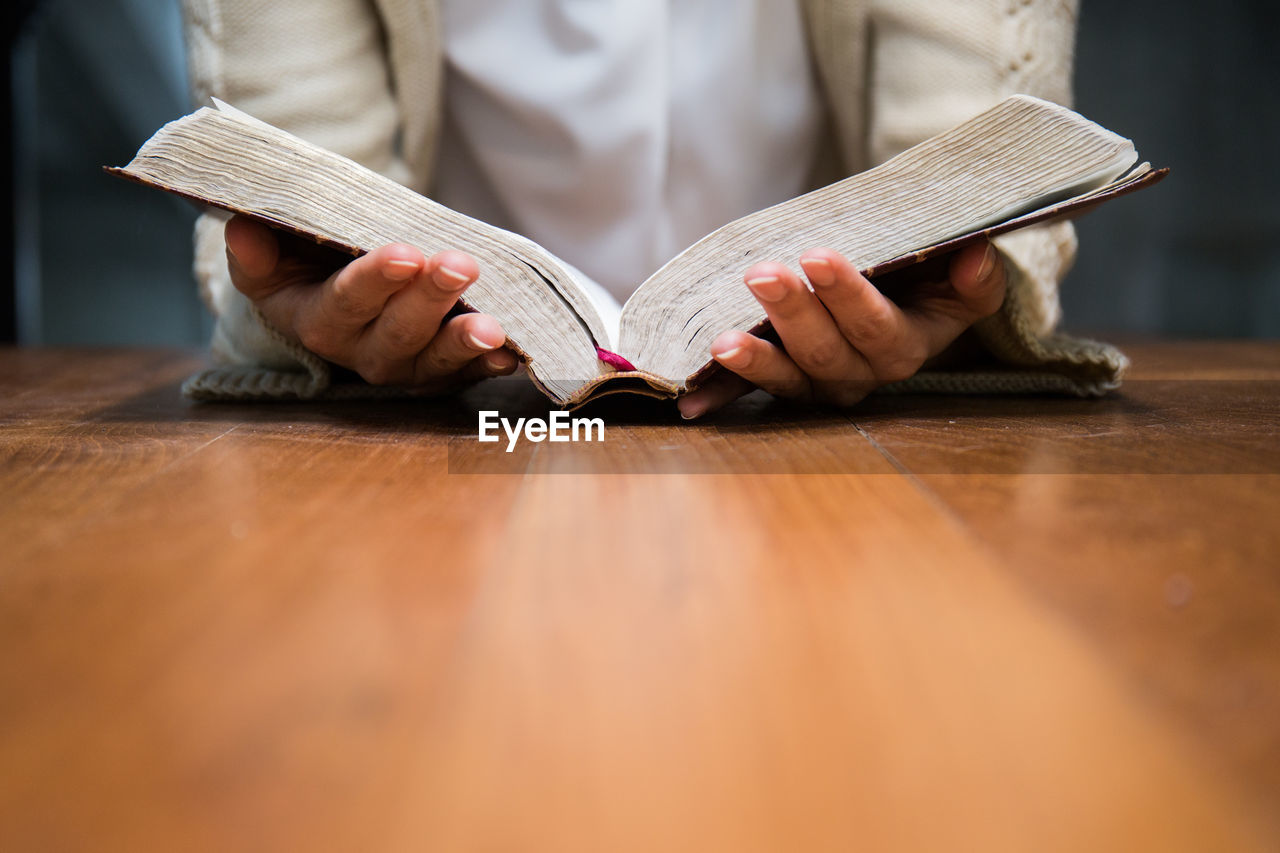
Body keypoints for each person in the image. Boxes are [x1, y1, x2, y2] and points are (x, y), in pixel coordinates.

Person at [180, 0, 1127, 415]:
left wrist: (945, 294)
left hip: (822, 444)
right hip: (454, 432)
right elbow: (295, 166)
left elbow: (980, 156)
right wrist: (308, 306)